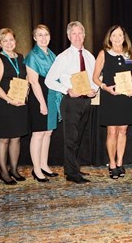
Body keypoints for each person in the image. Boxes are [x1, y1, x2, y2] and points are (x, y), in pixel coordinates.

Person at [45, 21, 98, 184]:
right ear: (68, 36)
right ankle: (72, 174)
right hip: (71, 102)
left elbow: (94, 78)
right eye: (73, 33)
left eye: (80, 33)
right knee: (71, 139)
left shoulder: (89, 56)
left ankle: (73, 167)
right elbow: (49, 80)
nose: (77, 37)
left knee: (79, 138)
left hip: (85, 102)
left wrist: (94, 89)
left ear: (85, 35)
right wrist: (67, 90)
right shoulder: (64, 57)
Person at [92, 25, 132, 179]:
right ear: (109, 38)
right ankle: (112, 164)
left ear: (124, 37)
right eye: (115, 35)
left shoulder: (130, 54)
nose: (118, 38)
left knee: (123, 131)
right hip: (110, 97)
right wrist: (106, 88)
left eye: (120, 35)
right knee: (112, 131)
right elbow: (95, 78)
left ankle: (120, 162)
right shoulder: (103, 54)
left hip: (126, 98)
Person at [0, 28, 29, 185]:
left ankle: (14, 169)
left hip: (19, 102)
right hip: (4, 104)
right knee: (4, 139)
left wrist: (25, 93)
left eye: (11, 39)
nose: (8, 43)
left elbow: (24, 79)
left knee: (16, 138)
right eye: (4, 40)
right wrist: (9, 99)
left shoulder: (20, 57)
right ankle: (4, 172)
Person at [25, 24, 61, 182]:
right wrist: (42, 103)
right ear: (34, 37)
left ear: (50, 37)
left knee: (48, 133)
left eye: (46, 34)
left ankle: (44, 165)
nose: (43, 38)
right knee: (38, 134)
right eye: (39, 35)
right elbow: (33, 82)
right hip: (39, 97)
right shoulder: (32, 56)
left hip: (51, 96)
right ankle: (36, 169)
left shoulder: (52, 55)